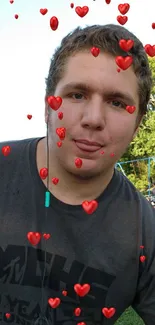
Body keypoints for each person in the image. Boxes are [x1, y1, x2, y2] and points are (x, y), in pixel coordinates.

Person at [0, 23, 155, 325]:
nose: (93, 119)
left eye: (117, 103)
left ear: (137, 125)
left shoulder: (144, 233)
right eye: (77, 95)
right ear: (48, 108)